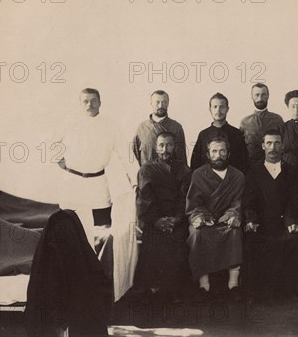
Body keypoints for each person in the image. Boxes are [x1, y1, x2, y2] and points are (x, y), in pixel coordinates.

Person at [53, 88, 136, 245]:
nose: (89, 104)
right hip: (72, 184)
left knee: (99, 230)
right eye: (85, 101)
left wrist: (136, 179)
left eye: (93, 101)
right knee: (70, 229)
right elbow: (50, 142)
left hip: (97, 185)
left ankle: (97, 266)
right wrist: (59, 159)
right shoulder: (70, 123)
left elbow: (127, 155)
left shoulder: (111, 126)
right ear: (80, 104)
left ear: (100, 102)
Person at [243, 129, 298, 301]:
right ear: (263, 146)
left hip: (283, 222)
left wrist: (292, 220)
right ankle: (258, 293)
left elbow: (294, 200)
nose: (273, 147)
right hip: (261, 223)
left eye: (277, 143)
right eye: (269, 143)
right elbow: (249, 201)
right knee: (251, 240)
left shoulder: (292, 172)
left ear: (283, 146)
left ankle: (290, 292)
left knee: (295, 240)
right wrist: (251, 220)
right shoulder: (254, 172)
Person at [133, 132, 191, 302]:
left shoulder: (184, 170)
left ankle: (174, 293)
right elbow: (144, 198)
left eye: (169, 145)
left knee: (178, 245)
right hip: (153, 221)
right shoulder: (147, 169)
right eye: (161, 145)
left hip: (177, 221)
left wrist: (176, 219)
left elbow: (185, 198)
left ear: (175, 147)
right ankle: (150, 292)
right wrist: (157, 221)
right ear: (155, 148)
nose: (165, 149)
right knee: (152, 246)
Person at [186, 137, 245, 301]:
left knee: (234, 232)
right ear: (207, 154)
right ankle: (204, 285)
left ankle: (233, 284)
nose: (218, 155)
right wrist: (200, 217)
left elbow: (237, 202)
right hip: (205, 220)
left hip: (226, 221)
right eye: (214, 151)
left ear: (228, 153)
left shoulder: (237, 176)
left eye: (222, 151)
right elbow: (194, 202)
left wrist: (232, 216)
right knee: (197, 234)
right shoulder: (198, 175)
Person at [191, 93, 249, 173]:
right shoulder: (203, 135)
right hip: (207, 182)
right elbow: (195, 164)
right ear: (210, 109)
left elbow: (244, 163)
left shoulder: (236, 134)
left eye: (222, 107)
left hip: (232, 181)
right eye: (215, 107)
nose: (218, 110)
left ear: (227, 109)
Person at [133, 90, 187, 166]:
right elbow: (134, 157)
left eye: (164, 102)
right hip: (147, 175)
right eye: (157, 102)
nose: (160, 106)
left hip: (170, 175)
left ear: (168, 103)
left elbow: (181, 158)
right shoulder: (142, 128)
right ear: (151, 103)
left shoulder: (176, 127)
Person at [240, 83, 284, 165]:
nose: (260, 98)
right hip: (251, 167)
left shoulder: (277, 120)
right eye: (257, 95)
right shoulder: (245, 122)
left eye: (263, 95)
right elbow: (241, 149)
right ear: (252, 97)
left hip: (274, 165)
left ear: (268, 96)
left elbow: (284, 145)